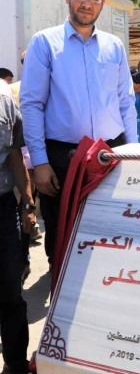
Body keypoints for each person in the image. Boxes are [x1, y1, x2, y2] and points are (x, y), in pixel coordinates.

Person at [20, 0, 137, 270]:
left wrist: (132, 152)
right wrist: (40, 163)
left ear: (103, 3)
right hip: (62, 156)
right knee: (62, 232)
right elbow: (31, 105)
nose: (87, 4)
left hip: (111, 152)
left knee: (111, 228)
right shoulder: (45, 43)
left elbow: (126, 102)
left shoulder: (114, 45)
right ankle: (61, 294)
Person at [0, 78, 35, 374]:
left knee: (10, 291)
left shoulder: (3, 96)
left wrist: (28, 204)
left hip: (2, 207)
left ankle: (15, 364)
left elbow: (14, 155)